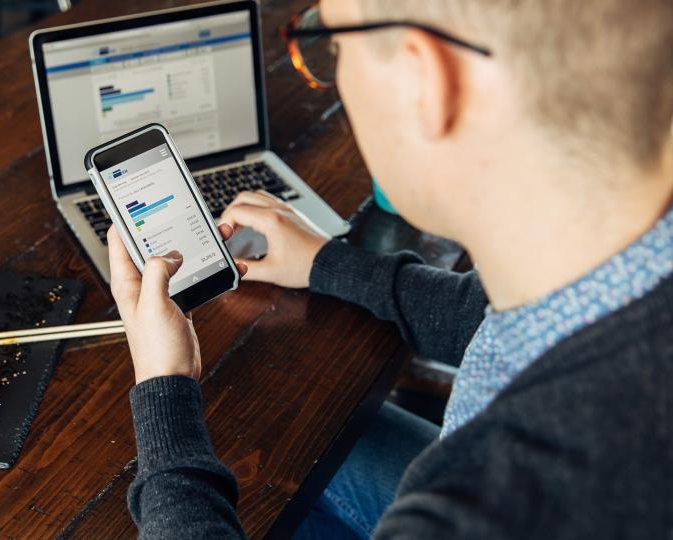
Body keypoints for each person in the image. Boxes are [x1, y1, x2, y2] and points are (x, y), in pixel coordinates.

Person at [107, 0, 673, 537]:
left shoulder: (501, 504)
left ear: (424, 82)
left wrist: (164, 387)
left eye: (331, 45)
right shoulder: (611, 259)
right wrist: (330, 263)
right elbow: (494, 321)